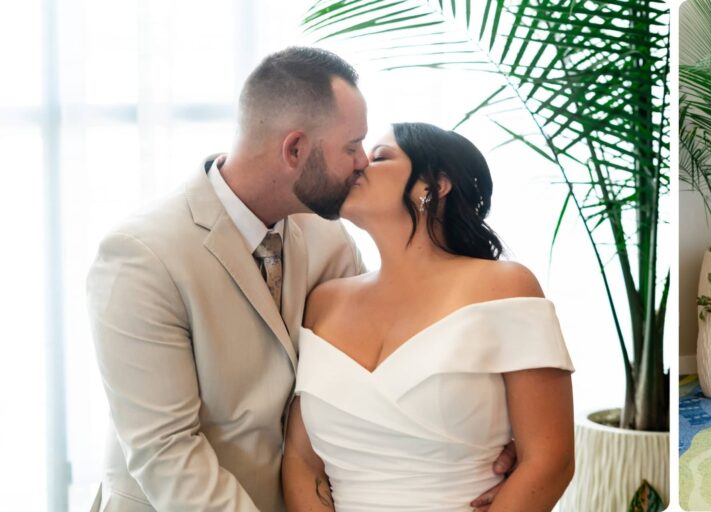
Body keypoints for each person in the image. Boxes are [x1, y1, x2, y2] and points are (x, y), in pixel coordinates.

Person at [87, 47, 514, 512]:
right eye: (352, 147)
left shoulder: (329, 236)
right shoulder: (141, 255)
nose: (362, 165)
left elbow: (376, 372)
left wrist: (489, 439)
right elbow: (165, 450)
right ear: (294, 150)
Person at [281, 123, 576, 511]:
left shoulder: (505, 287)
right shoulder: (324, 301)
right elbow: (302, 462)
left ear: (434, 185)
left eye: (380, 156)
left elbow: (550, 460)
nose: (358, 166)